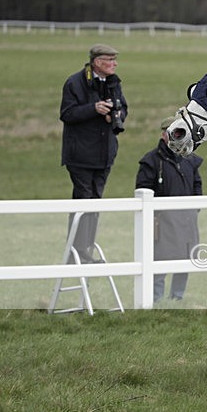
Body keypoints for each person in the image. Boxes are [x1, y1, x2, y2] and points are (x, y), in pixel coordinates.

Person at [60, 43, 127, 264]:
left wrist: (115, 115)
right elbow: (66, 113)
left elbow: (124, 108)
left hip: (104, 154)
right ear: (97, 62)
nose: (115, 64)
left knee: (95, 203)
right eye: (111, 60)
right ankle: (76, 252)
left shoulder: (114, 83)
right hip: (80, 156)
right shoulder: (74, 82)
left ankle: (84, 249)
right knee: (83, 202)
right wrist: (93, 109)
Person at [136, 117, 203, 302]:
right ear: (163, 134)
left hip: (187, 221)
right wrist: (157, 213)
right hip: (163, 223)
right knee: (160, 261)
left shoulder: (189, 159)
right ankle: (155, 300)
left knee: (185, 262)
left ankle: (176, 299)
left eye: (179, 132)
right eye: (171, 132)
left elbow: (197, 183)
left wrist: (195, 206)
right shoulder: (151, 161)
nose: (175, 136)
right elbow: (142, 189)